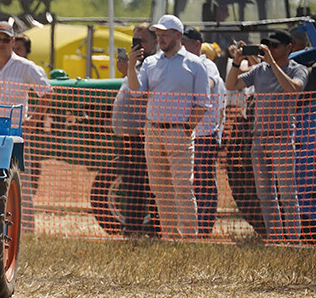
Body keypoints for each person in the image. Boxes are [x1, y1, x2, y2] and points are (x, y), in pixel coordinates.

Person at [127, 14, 211, 240]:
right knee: (161, 190)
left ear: (178, 35)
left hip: (178, 132)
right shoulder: (151, 62)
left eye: (165, 35)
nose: (160, 39)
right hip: (153, 130)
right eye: (159, 35)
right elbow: (136, 91)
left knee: (183, 188)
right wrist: (131, 66)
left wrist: (186, 129)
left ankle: (189, 239)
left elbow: (203, 103)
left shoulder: (195, 64)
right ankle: (169, 237)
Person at [225, 29, 310, 243]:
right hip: (259, 139)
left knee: (288, 196)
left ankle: (294, 241)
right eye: (267, 46)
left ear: (288, 48)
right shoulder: (259, 70)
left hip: (282, 138)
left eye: (275, 46)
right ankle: (275, 239)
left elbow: (294, 90)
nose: (270, 49)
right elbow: (231, 85)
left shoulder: (298, 69)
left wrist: (272, 64)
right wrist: (236, 62)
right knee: (266, 196)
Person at [0, 21, 51, 232]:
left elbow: (47, 93)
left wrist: (32, 120)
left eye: (6, 39)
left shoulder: (25, 66)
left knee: (20, 183)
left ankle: (26, 231)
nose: (2, 43)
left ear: (13, 41)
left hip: (15, 136)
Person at [110, 23, 160, 235]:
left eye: (143, 41)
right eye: (134, 41)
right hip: (128, 137)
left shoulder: (153, 65)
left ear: (155, 42)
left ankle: (153, 230)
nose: (137, 45)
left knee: (148, 186)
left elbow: (141, 93)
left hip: (143, 137)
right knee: (132, 185)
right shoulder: (137, 66)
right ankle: (131, 230)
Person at [181, 26, 225, 236]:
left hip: (205, 133)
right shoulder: (182, 64)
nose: (180, 45)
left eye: (185, 42)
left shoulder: (207, 65)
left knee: (204, 182)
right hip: (187, 133)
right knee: (189, 182)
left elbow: (208, 84)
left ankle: (203, 229)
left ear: (197, 44)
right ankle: (191, 227)